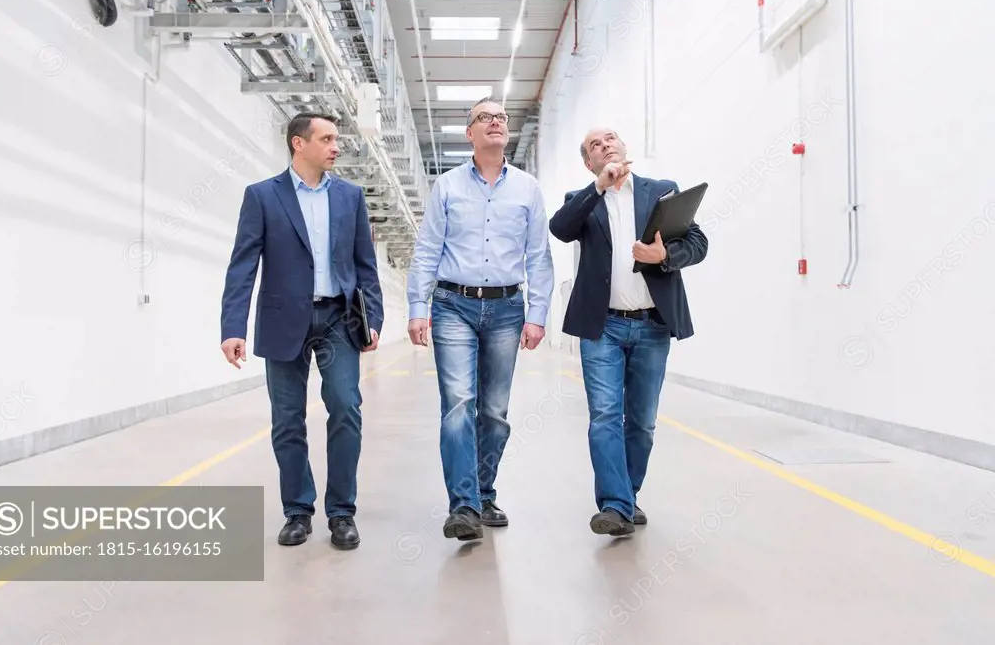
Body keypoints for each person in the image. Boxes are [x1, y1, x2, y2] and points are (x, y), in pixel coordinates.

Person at [219, 112, 383, 550]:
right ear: (299, 144)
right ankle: (297, 510)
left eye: (336, 138)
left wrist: (375, 319)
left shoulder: (349, 196)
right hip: (282, 318)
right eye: (327, 138)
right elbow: (242, 266)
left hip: (338, 319)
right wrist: (233, 327)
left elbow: (365, 265)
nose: (336, 146)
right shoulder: (262, 196)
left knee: (346, 408)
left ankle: (342, 513)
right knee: (287, 419)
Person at [406, 96, 555, 541]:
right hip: (453, 304)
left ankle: (485, 493)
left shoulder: (527, 188)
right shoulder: (447, 187)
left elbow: (539, 256)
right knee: (457, 405)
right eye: (484, 118)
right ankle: (464, 505)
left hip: (508, 309)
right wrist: (418, 306)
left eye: (501, 117)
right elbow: (428, 248)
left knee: (494, 411)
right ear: (469, 133)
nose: (495, 122)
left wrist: (538, 314)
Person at [549, 127, 708, 537]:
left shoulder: (662, 191)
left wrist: (664, 255)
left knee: (641, 422)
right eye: (595, 146)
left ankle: (627, 495)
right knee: (605, 415)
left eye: (610, 139)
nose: (605, 146)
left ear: (624, 147)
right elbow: (561, 228)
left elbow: (699, 243)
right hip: (601, 327)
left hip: (652, 326)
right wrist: (597, 188)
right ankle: (616, 506)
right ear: (590, 163)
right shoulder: (582, 201)